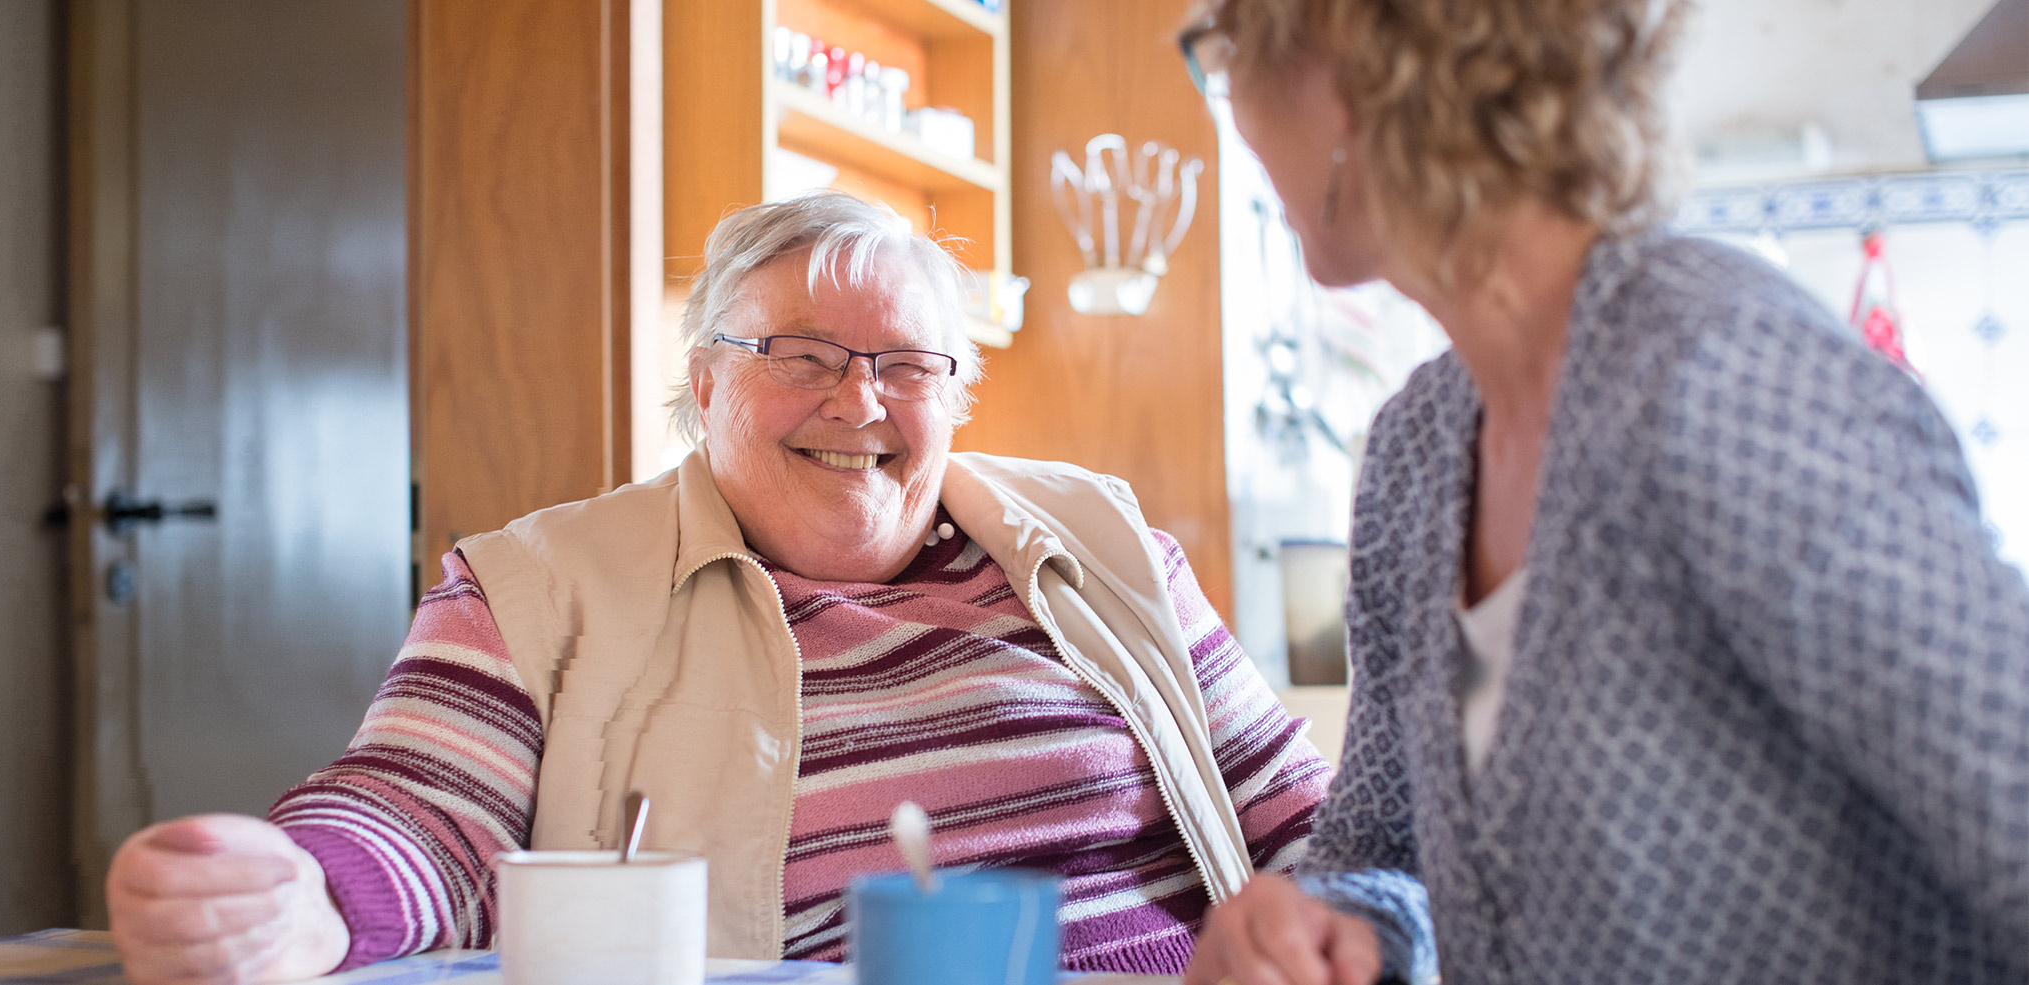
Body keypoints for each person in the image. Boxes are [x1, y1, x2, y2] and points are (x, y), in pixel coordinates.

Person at [104, 191, 1333, 985]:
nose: (860, 404)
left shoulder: (1104, 544)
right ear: (705, 383)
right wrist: (305, 896)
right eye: (802, 358)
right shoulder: (539, 583)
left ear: (956, 395)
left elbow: (1306, 823)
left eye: (908, 366)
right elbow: (426, 809)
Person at [1177, 0, 2029, 983]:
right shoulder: (1414, 451)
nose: (1232, 113)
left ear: (1355, 74)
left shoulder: (1727, 381)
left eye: (1230, 54)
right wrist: (1337, 927)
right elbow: (1379, 851)